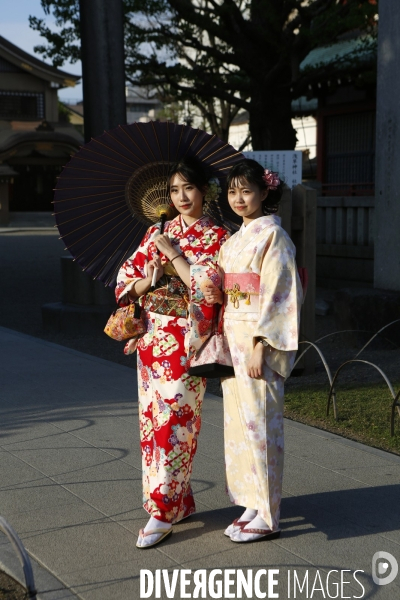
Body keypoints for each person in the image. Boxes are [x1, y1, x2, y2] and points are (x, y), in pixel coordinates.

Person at [115, 157, 228, 548]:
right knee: (151, 425)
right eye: (175, 189)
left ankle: (160, 512)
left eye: (189, 188)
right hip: (151, 342)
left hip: (186, 341)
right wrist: (150, 279)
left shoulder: (217, 237)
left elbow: (211, 292)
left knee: (175, 424)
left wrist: (176, 259)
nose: (181, 197)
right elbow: (125, 283)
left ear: (206, 191)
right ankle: (176, 503)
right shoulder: (156, 231)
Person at [204, 158, 302, 543]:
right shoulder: (233, 241)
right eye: (232, 191)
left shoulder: (273, 237)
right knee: (238, 426)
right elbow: (230, 289)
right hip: (232, 335)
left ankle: (269, 512)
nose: (239, 198)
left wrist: (264, 344)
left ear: (265, 193)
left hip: (257, 338)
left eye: (247, 190)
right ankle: (250, 500)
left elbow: (280, 293)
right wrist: (217, 293)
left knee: (261, 423)